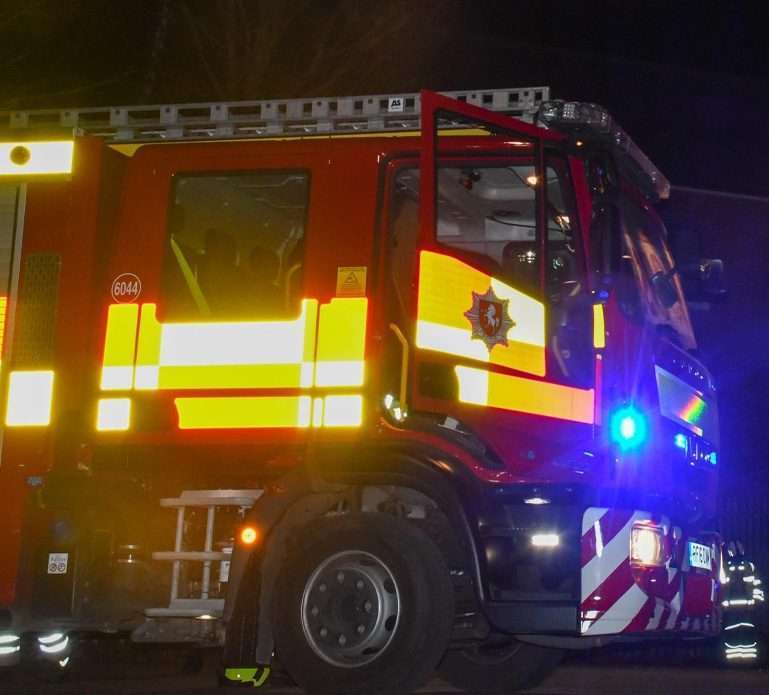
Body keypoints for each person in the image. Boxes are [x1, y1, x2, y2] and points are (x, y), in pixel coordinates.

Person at [720, 541, 764, 664]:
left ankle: (741, 661)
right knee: (741, 634)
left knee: (740, 634)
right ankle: (741, 661)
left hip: (738, 610)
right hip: (741, 610)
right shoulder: (743, 566)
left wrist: (756, 603)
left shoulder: (732, 567)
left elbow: (756, 585)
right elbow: (756, 586)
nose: (730, 551)